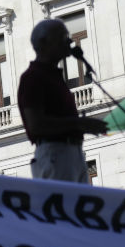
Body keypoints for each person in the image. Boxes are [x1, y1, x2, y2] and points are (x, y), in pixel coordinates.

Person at [18, 18, 108, 183]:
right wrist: (79, 124)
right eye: (62, 36)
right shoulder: (32, 78)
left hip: (69, 154)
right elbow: (36, 124)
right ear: (44, 43)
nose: (69, 41)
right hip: (55, 155)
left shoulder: (53, 76)